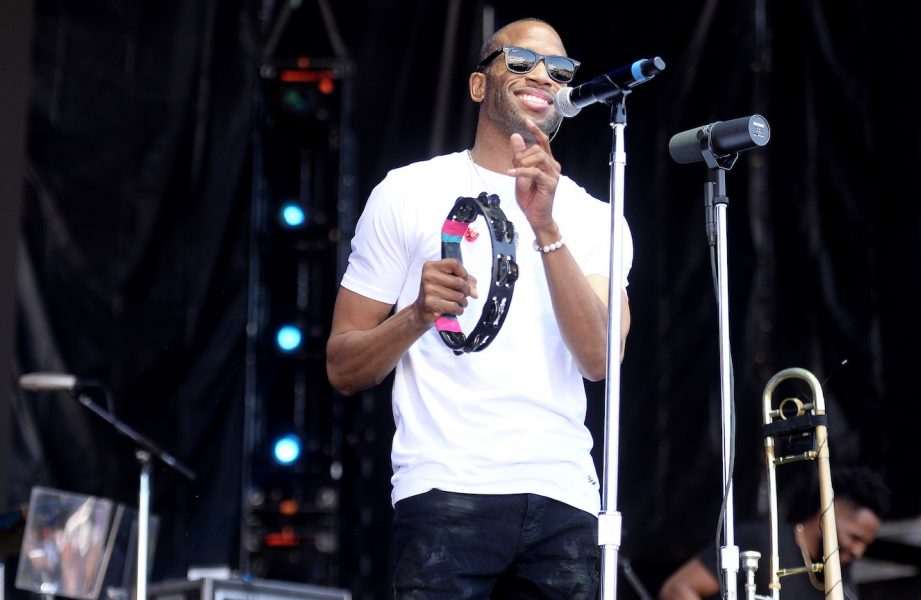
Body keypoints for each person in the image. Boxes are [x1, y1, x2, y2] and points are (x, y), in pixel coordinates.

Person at [325, 17, 633, 597]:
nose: (542, 74)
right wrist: (416, 315)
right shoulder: (406, 192)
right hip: (445, 490)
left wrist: (545, 226)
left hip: (562, 496)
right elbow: (343, 365)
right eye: (519, 61)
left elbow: (599, 358)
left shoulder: (594, 216)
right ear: (477, 85)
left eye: (560, 69)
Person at [658, 467, 890, 600]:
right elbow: (677, 589)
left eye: (866, 544)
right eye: (855, 537)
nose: (859, 552)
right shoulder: (760, 541)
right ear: (827, 513)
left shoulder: (842, 573)